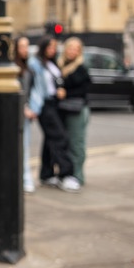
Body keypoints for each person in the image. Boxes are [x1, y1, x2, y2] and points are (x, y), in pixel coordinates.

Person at [27, 35, 80, 192]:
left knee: (50, 140)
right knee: (60, 137)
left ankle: (46, 174)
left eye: (54, 47)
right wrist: (30, 106)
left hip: (55, 103)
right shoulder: (35, 64)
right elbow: (32, 87)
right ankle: (65, 175)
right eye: (49, 47)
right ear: (43, 47)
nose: (52, 50)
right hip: (44, 105)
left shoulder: (51, 63)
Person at [57, 37, 91, 185]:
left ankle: (78, 176)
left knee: (77, 143)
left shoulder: (81, 67)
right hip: (63, 109)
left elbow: (84, 90)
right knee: (65, 143)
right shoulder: (60, 65)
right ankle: (67, 174)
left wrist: (66, 93)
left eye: (76, 49)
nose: (73, 51)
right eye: (70, 48)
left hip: (77, 110)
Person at [15, 37, 36, 193]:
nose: (25, 49)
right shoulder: (14, 68)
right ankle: (23, 178)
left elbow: (31, 91)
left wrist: (31, 107)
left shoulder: (29, 67)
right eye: (22, 46)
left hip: (25, 115)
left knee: (25, 147)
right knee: (18, 147)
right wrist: (23, 107)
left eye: (27, 46)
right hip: (17, 113)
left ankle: (26, 178)